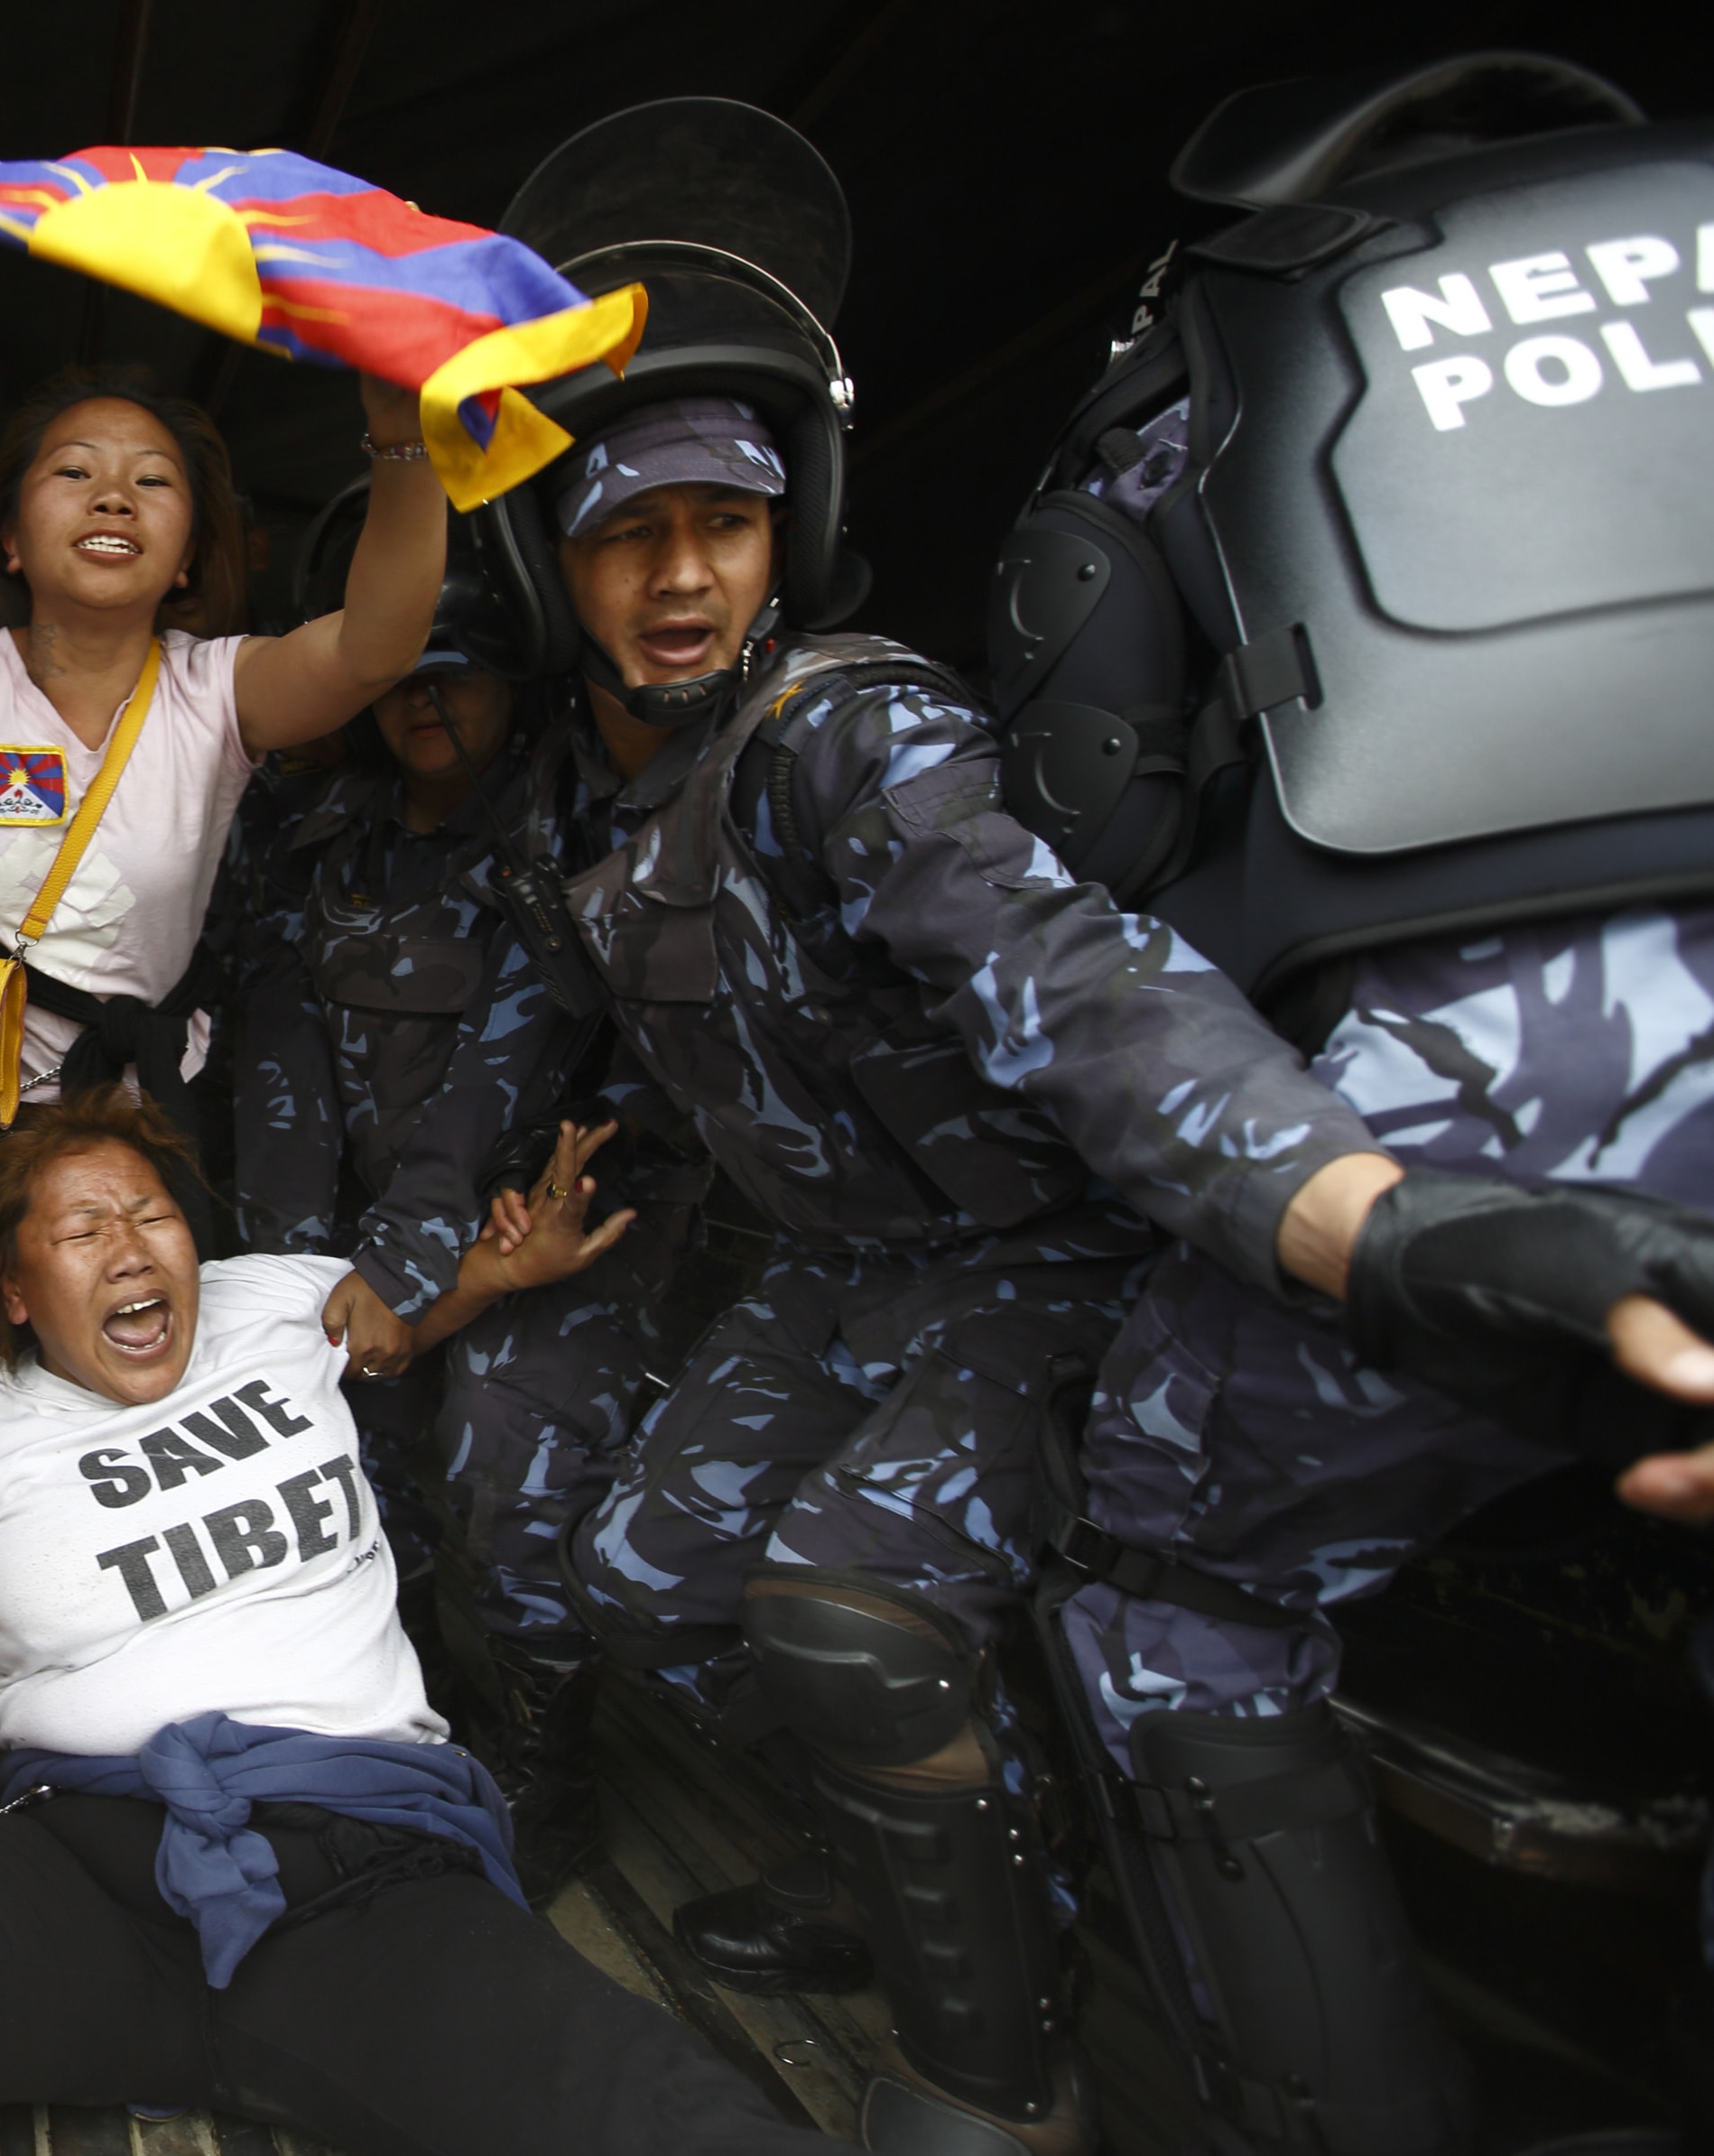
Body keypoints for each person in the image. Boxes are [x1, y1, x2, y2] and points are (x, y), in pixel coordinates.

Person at [451, 97, 1714, 2156]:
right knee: (639, 1572)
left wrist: (1365, 1212)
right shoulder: (586, 816)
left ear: (794, 528)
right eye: (621, 530)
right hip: (841, 1273)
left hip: (1027, 1264)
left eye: (728, 522)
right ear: (548, 555)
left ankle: (999, 2054)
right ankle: (885, 1864)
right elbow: (663, 1073)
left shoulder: (847, 723)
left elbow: (1070, 977)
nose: (682, 576)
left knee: (852, 1613)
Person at [970, 55, 1714, 2156]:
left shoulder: (1215, 360)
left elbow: (1083, 838)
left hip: (1469, 1121)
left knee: (1166, 1577)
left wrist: (1344, 1195)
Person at [0, 1087, 818, 2156]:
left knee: (658, 2107)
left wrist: (490, 1277)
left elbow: (399, 1327)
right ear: (14, 1288)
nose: (132, 1249)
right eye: (84, 1231)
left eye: (151, 1215)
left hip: (362, 1873)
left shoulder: (282, 1302)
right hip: (90, 1877)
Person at [0, 126, 447, 1412]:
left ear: (191, 554)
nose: (112, 495)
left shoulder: (215, 690)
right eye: (70, 474)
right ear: (11, 536)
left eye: (153, 481)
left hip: (130, 1130)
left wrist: (402, 432)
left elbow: (379, 642)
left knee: (110, 1414)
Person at [229, 546, 695, 1893]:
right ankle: (413, 1724)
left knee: (502, 1448)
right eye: (404, 678)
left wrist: (404, 1268)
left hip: (559, 1222)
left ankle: (550, 1769)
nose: (429, 702)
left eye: (462, 672)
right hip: (392, 1235)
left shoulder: (564, 833)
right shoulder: (324, 847)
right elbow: (282, 1073)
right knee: (337, 1449)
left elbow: (511, 1063)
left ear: (512, 675)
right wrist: (297, 1280)